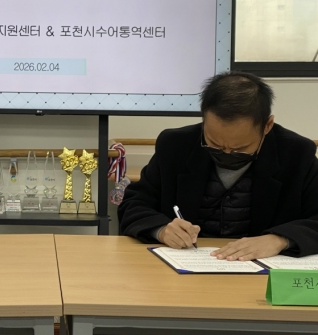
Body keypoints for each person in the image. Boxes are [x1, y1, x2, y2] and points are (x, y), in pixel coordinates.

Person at [118, 71, 318, 260]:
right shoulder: (176, 145)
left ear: (267, 126)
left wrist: (280, 239)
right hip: (187, 263)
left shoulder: (296, 154)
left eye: (240, 148)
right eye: (214, 144)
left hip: (262, 269)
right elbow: (134, 204)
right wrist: (161, 229)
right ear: (204, 118)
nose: (226, 153)